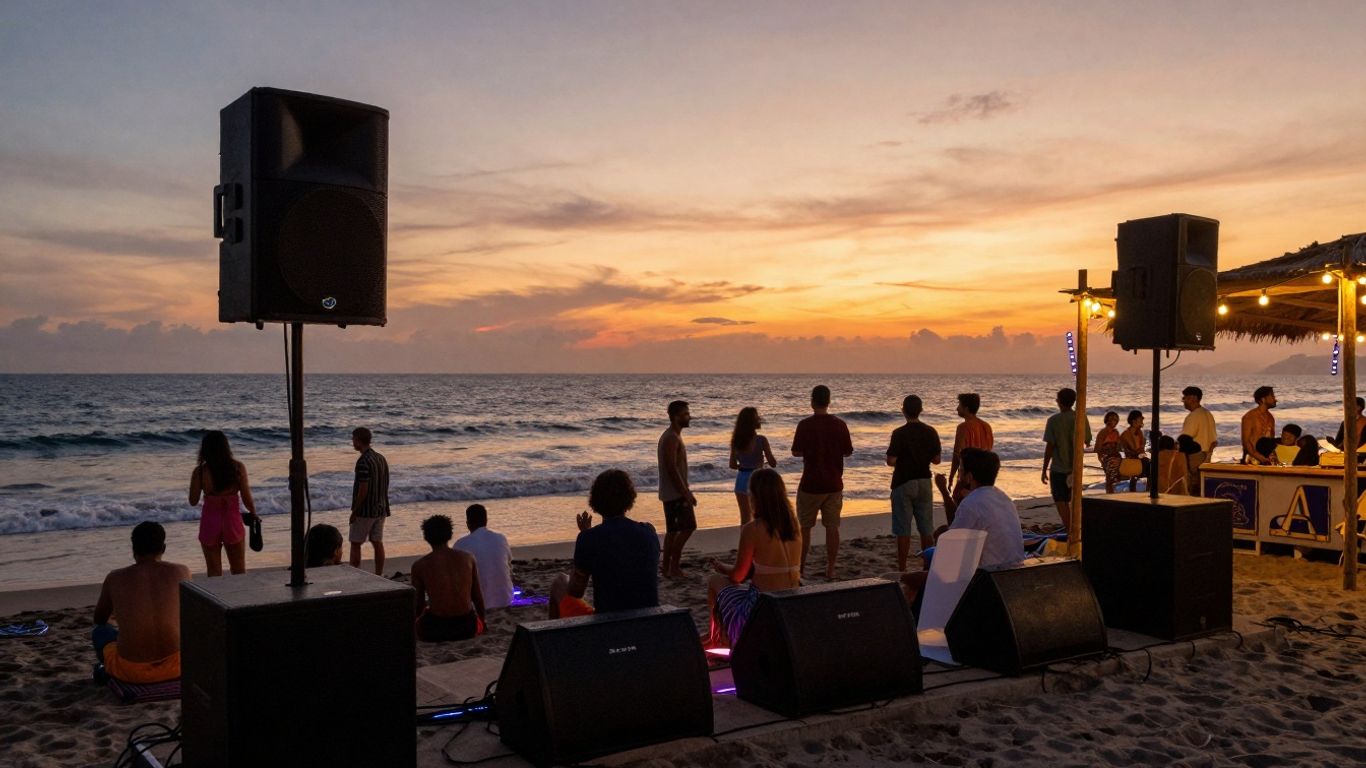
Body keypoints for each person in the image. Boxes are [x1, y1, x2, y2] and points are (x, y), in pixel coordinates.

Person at [905, 449, 1023, 604]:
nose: (959, 474)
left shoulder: (972, 503)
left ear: (969, 477)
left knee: (910, 581)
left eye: (960, 470)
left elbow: (951, 552)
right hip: (1013, 573)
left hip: (988, 579)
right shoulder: (1004, 499)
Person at [704, 468, 802, 648]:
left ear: (755, 497)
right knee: (740, 588)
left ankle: (717, 637)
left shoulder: (752, 529)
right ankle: (717, 635)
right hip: (790, 604)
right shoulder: (794, 526)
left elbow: (738, 576)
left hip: (761, 610)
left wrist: (721, 568)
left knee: (714, 581)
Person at [548, 469, 660, 619]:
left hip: (608, 626)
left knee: (559, 583)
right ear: (629, 498)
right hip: (649, 621)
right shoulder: (649, 532)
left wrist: (585, 537)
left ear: (595, 501)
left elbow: (575, 591)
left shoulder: (589, 539)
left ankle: (556, 634)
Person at [92, 522, 191, 683]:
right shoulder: (182, 572)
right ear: (163, 548)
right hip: (177, 667)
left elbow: (99, 619)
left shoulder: (115, 577)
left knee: (101, 632)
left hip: (131, 671)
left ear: (133, 549)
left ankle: (106, 670)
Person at [791, 384, 854, 579]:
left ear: (812, 402)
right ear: (828, 402)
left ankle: (801, 568)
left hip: (810, 483)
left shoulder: (805, 425)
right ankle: (831, 568)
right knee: (832, 527)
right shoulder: (840, 425)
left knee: (805, 528)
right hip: (833, 483)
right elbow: (848, 451)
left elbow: (796, 452)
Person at [188, 430, 258, 577]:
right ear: (226, 448)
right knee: (238, 570)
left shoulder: (200, 472)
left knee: (214, 572)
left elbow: (193, 501)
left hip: (210, 521)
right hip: (232, 520)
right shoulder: (237, 468)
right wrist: (254, 513)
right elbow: (246, 497)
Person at [886, 394, 942, 571]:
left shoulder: (899, 433)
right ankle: (929, 565)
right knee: (926, 527)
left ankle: (902, 567)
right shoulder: (930, 431)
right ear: (921, 410)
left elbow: (891, 460)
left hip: (903, 481)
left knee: (903, 529)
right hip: (924, 480)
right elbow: (937, 460)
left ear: (903, 410)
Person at [412, 515, 485, 642]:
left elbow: (419, 604)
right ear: (450, 534)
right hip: (467, 626)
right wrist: (483, 621)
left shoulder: (419, 565)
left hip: (437, 628)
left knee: (420, 622)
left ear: (426, 537)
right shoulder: (468, 558)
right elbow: (477, 596)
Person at [1041, 388, 1091, 531]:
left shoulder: (1053, 421)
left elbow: (1050, 447)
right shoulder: (1080, 417)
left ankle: (1070, 530)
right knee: (1072, 499)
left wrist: (1044, 469)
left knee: (1060, 500)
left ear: (1059, 402)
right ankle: (1074, 528)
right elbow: (1087, 441)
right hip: (1075, 467)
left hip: (1058, 468)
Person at [657, 400, 697, 579]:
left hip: (671, 492)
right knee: (688, 528)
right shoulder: (671, 438)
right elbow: (672, 468)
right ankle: (673, 567)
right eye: (685, 414)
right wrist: (685, 493)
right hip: (675, 493)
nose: (689, 417)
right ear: (675, 417)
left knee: (673, 531)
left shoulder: (672, 436)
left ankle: (667, 567)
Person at [454, 503, 514, 610]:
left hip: (476, 604)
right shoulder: (501, 538)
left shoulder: (461, 544)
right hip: (505, 598)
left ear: (468, 523)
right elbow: (509, 565)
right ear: (486, 520)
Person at [348, 427, 391, 575]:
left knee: (355, 542)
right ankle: (379, 574)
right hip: (381, 507)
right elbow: (385, 483)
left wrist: (355, 511)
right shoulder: (380, 458)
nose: (352, 442)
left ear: (358, 441)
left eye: (353, 439)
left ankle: (355, 574)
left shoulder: (363, 461)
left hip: (365, 510)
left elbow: (363, 489)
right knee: (377, 542)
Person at [728, 407, 778, 525]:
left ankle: (745, 537)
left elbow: (732, 465)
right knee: (761, 517)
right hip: (758, 479)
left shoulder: (736, 441)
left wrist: (743, 465)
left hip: (741, 478)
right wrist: (762, 461)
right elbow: (773, 463)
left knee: (745, 518)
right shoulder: (761, 440)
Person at [946, 393, 993, 507]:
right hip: (984, 477)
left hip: (968, 476)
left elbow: (957, 455)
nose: (957, 408)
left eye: (959, 405)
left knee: (960, 505)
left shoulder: (963, 427)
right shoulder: (986, 426)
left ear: (966, 408)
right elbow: (989, 451)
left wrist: (951, 477)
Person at [1179, 386, 1218, 496]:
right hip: (1207, 455)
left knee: (1192, 487)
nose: (1183, 401)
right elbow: (1214, 440)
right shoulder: (1208, 413)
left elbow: (1185, 439)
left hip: (1195, 456)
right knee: (1202, 486)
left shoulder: (1193, 416)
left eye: (1185, 398)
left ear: (1193, 398)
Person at [1240, 386, 1277, 464]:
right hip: (1252, 460)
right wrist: (1260, 458)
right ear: (1263, 399)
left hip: (1267, 459)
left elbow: (1271, 441)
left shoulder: (1270, 417)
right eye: (1272, 396)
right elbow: (1246, 442)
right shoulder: (1250, 416)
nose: (1275, 399)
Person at [1119, 410, 1150, 492]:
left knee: (1151, 465)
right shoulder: (1126, 434)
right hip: (1131, 460)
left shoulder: (1139, 433)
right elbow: (1131, 450)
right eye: (1140, 419)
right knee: (1150, 466)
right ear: (1134, 421)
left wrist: (1141, 452)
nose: (1142, 421)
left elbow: (1141, 450)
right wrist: (1139, 452)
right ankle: (1145, 490)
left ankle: (1147, 490)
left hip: (1139, 458)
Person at [1095, 411, 1122, 494]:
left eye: (1115, 419)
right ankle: (1109, 492)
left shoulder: (1116, 432)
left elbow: (1119, 448)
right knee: (1110, 476)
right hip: (1106, 456)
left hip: (1115, 455)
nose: (1114, 421)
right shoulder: (1102, 432)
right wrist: (1101, 459)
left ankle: (1111, 491)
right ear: (1107, 420)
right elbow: (1098, 448)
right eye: (1112, 419)